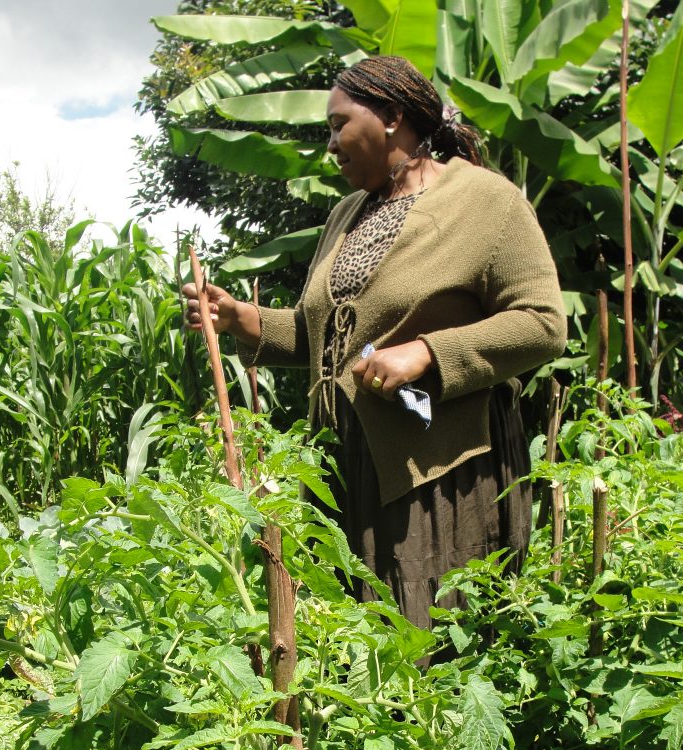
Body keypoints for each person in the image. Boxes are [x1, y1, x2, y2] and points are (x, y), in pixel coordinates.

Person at [184, 55, 566, 630]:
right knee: (356, 643)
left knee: (429, 638)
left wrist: (428, 354)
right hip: (348, 466)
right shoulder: (346, 214)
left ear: (390, 116)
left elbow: (543, 323)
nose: (330, 145)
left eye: (339, 125)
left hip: (436, 467)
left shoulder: (488, 202)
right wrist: (242, 318)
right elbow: (327, 339)